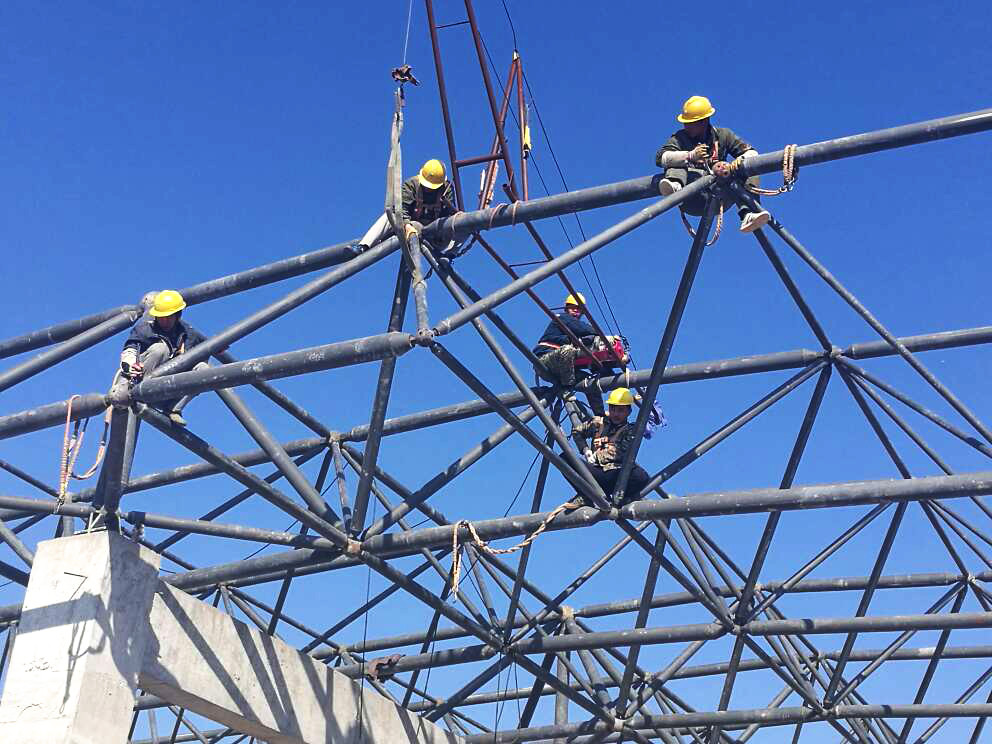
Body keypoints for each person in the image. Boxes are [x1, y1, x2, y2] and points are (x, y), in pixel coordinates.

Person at [656, 95, 771, 233]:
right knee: (678, 161)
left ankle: (749, 213)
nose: (686, 126)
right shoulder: (680, 138)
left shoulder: (723, 135)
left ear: (704, 121)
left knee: (749, 166)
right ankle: (675, 187)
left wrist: (737, 164)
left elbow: (752, 153)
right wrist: (690, 156)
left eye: (690, 123)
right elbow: (660, 158)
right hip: (691, 197)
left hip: (721, 196)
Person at [116, 290, 207, 426]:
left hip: (168, 387)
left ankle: (173, 408)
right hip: (142, 379)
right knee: (160, 349)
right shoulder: (145, 329)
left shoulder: (188, 333)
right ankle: (142, 390)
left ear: (177, 315)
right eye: (161, 317)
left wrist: (219, 346)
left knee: (204, 369)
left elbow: (207, 346)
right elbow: (130, 349)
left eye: (168, 316)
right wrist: (130, 367)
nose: (164, 320)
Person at [572, 387, 650, 505]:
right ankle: (586, 495)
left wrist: (597, 456)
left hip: (616, 474)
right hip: (595, 472)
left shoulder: (630, 430)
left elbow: (621, 453)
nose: (616, 414)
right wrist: (585, 449)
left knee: (641, 476)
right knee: (565, 458)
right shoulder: (598, 422)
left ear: (628, 412)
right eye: (613, 409)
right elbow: (577, 432)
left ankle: (621, 499)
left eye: (620, 410)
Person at [357, 158, 457, 251]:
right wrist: (407, 225)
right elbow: (400, 209)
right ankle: (363, 246)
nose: (429, 189)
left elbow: (448, 215)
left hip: (433, 231)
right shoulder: (411, 185)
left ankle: (449, 254)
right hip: (409, 225)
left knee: (458, 224)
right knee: (389, 216)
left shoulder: (446, 190)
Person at [532, 293, 605, 416]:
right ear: (566, 308)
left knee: (591, 383)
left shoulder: (574, 332)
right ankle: (566, 388)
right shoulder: (562, 317)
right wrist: (601, 336)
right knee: (567, 350)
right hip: (546, 361)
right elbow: (583, 329)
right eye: (573, 307)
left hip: (564, 370)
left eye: (579, 308)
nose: (576, 310)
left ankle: (601, 416)